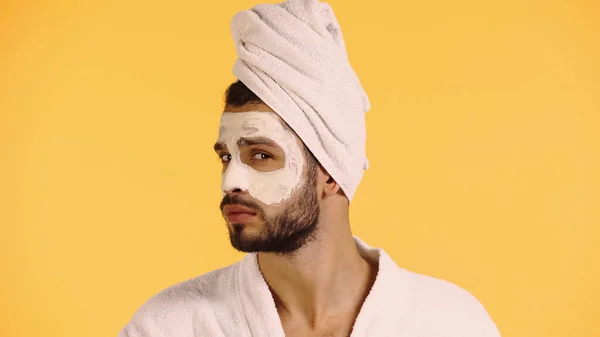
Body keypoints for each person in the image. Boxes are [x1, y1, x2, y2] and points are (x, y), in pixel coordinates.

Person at [118, 0, 501, 336]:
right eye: (226, 157)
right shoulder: (168, 326)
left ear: (330, 172)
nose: (230, 180)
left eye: (261, 155)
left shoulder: (450, 324)